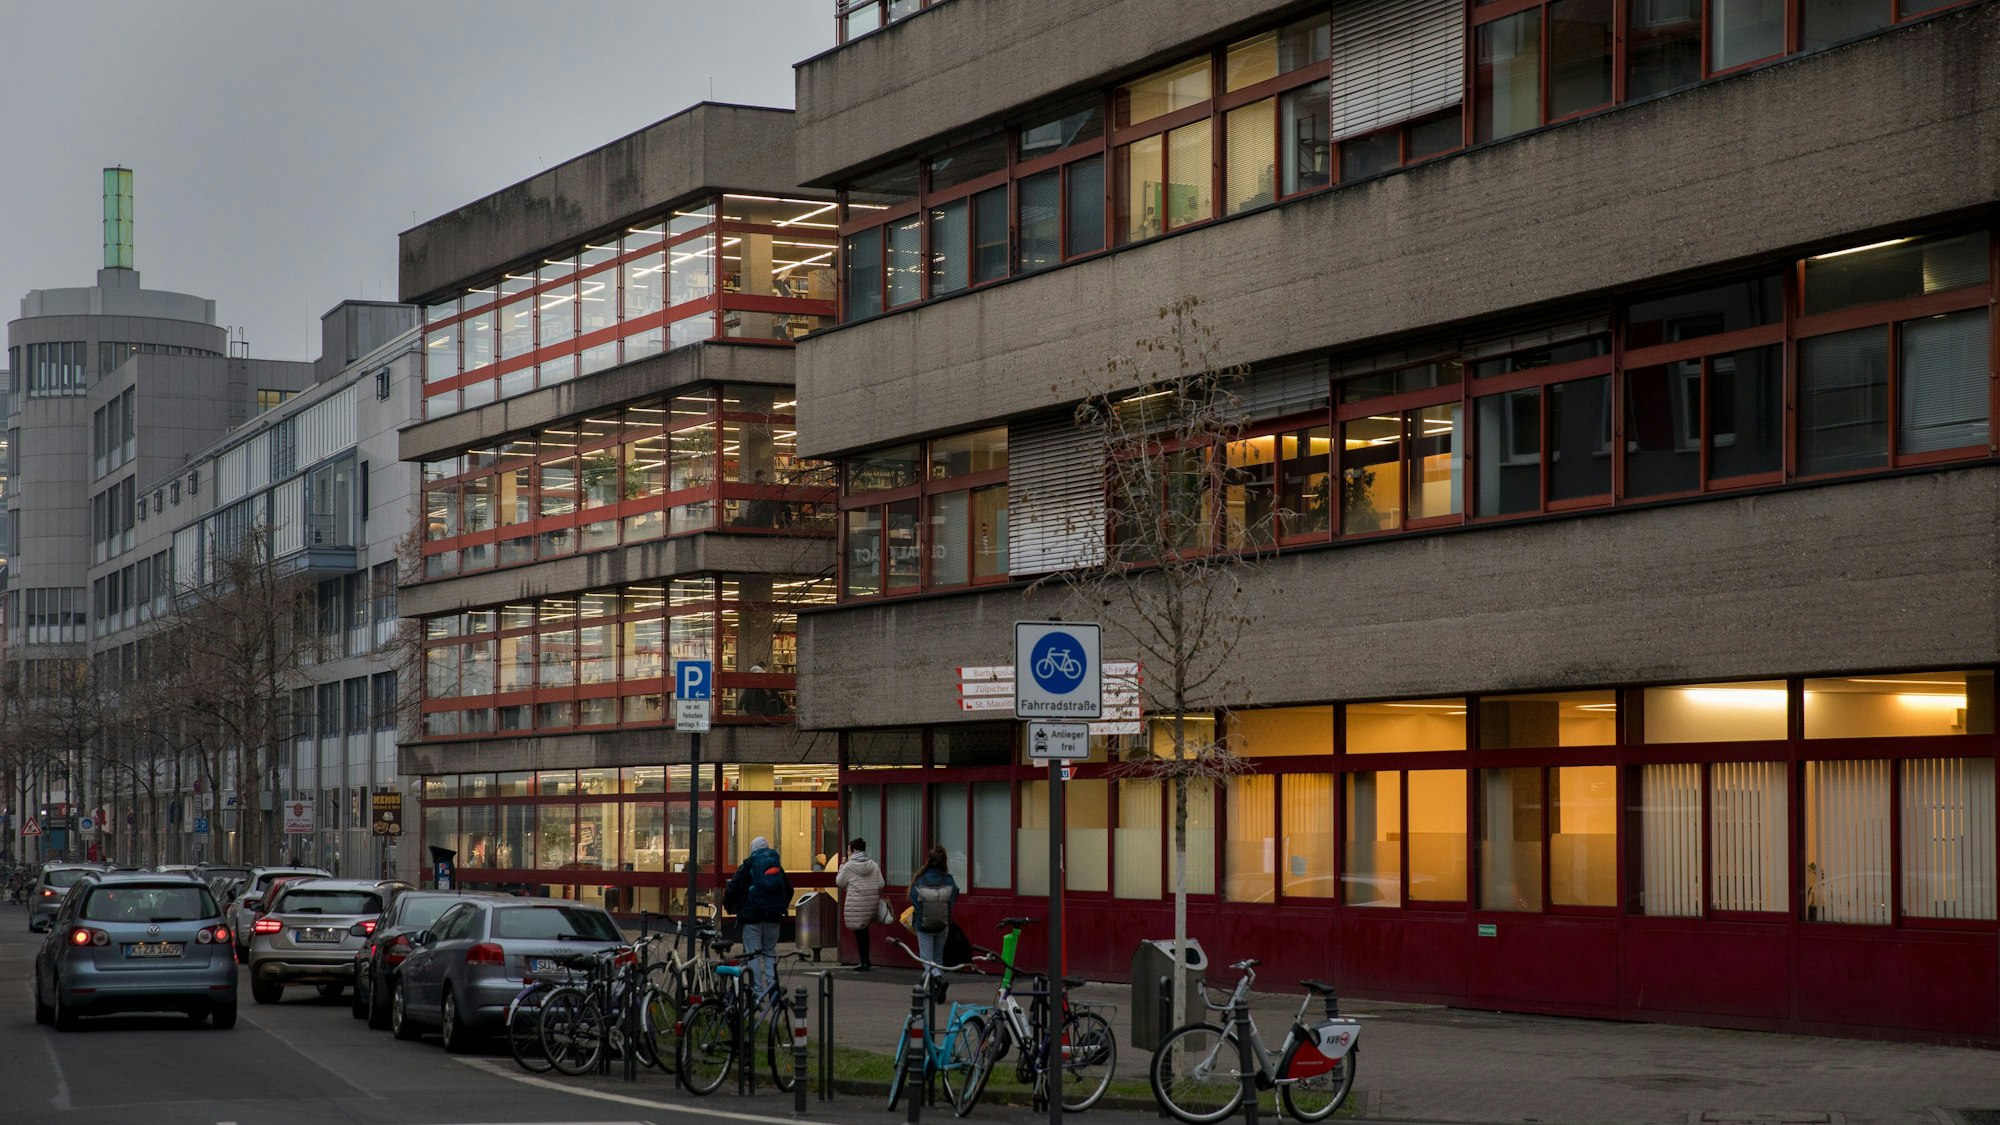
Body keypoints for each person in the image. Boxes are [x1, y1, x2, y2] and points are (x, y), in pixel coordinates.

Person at [723, 834, 791, 998]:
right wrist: (780, 907)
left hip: (752, 917)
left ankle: (758, 993)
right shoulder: (776, 866)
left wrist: (730, 907)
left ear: (752, 849)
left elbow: (732, 888)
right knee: (769, 952)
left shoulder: (748, 865)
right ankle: (773, 990)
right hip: (773, 917)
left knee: (753, 955)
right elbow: (789, 890)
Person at [907, 845, 960, 994]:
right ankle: (937, 988)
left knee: (926, 958)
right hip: (943, 924)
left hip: (924, 925)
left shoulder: (920, 879)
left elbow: (913, 898)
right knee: (938, 957)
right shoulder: (949, 880)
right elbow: (953, 898)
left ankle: (937, 981)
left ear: (929, 860)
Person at [835, 838, 885, 972]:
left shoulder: (848, 866)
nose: (848, 853)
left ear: (854, 850)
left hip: (856, 903)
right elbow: (881, 884)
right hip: (871, 903)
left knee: (859, 932)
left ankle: (864, 961)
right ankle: (866, 960)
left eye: (848, 850)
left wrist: (842, 866)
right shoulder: (873, 865)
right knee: (864, 931)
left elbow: (839, 882)